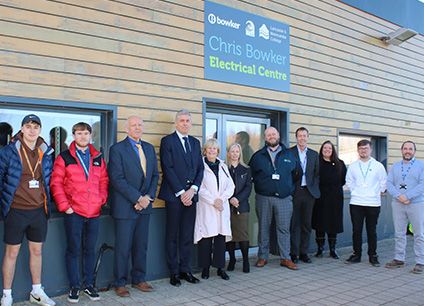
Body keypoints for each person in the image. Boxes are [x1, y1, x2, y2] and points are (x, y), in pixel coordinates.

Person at [0, 114, 55, 306]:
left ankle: (37, 291)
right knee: (11, 253)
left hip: (39, 210)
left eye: (36, 127)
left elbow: (49, 180)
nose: (32, 130)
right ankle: (7, 295)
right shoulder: (8, 151)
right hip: (16, 209)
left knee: (37, 251)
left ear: (40, 130)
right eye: (28, 126)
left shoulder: (46, 151)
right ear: (22, 129)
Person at [50, 122, 109, 303]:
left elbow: (104, 181)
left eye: (86, 133)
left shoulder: (98, 157)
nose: (83, 136)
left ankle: (89, 285)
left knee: (89, 249)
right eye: (79, 133)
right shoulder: (65, 157)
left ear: (90, 136)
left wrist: (101, 200)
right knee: (73, 250)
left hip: (94, 212)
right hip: (73, 211)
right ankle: (74, 286)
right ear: (73, 136)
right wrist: (64, 205)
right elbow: (56, 183)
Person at [108, 116, 159, 297]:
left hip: (145, 206)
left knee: (141, 245)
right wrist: (137, 198)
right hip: (125, 207)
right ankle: (120, 282)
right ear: (126, 129)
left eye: (139, 125)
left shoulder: (149, 148)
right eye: (133, 125)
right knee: (123, 247)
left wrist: (147, 198)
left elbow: (154, 176)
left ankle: (139, 279)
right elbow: (117, 179)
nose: (137, 128)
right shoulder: (117, 149)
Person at [158, 109, 204, 287]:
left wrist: (192, 190)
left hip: (191, 196)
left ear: (191, 123)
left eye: (188, 121)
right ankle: (174, 272)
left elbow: (200, 169)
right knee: (172, 235)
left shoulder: (195, 142)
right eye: (182, 120)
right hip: (174, 196)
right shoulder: (167, 141)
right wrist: (181, 192)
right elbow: (167, 167)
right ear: (176, 123)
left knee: (186, 235)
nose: (185, 123)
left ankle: (185, 270)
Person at [249, 127, 299, 270]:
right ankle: (263, 256)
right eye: (268, 134)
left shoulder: (290, 155)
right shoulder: (258, 156)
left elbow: (297, 174)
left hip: (284, 199)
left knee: (284, 229)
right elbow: (251, 176)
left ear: (279, 135)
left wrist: (287, 188)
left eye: (274, 134)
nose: (271, 136)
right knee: (263, 228)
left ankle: (285, 258)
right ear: (265, 138)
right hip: (264, 198)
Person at [194, 139, 235, 280]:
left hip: (221, 207)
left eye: (214, 149)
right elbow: (199, 187)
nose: (212, 151)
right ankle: (205, 268)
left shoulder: (223, 166)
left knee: (220, 239)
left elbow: (231, 186)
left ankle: (220, 268)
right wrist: (213, 201)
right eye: (209, 149)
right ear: (205, 151)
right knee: (205, 238)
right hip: (207, 206)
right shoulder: (200, 165)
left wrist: (221, 199)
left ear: (218, 151)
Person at [345, 139, 387, 266]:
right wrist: (356, 191)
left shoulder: (378, 166)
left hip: (373, 203)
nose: (363, 151)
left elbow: (383, 182)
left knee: (371, 230)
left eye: (366, 148)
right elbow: (349, 181)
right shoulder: (353, 166)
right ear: (358, 150)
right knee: (356, 230)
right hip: (356, 202)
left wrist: (376, 192)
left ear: (371, 149)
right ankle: (356, 254)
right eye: (361, 149)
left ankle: (373, 255)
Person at [385, 141, 424, 274]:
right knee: (399, 233)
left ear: (414, 151)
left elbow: (422, 185)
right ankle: (399, 258)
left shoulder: (421, 165)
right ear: (401, 150)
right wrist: (399, 196)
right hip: (398, 204)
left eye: (410, 149)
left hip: (416, 203)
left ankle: (420, 261)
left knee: (419, 234)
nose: (408, 151)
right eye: (405, 148)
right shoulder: (395, 166)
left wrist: (407, 196)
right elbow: (389, 183)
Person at [312, 141, 347, 259]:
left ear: (333, 150)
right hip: (320, 198)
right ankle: (320, 249)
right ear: (321, 149)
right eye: (325, 148)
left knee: (333, 224)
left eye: (329, 148)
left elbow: (343, 180)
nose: (327, 150)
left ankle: (332, 249)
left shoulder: (340, 164)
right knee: (320, 224)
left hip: (335, 198)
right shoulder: (316, 162)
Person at [290, 127, 320, 264]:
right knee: (294, 224)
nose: (302, 138)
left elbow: (317, 174)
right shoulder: (289, 153)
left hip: (309, 193)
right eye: (299, 136)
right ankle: (294, 253)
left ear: (308, 137)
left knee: (306, 224)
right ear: (296, 137)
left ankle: (304, 253)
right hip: (295, 192)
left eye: (304, 136)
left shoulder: (314, 154)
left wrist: (314, 187)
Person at [226, 143, 252, 273]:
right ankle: (232, 259)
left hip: (242, 207)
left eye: (237, 151)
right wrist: (230, 199)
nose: (235, 154)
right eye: (232, 151)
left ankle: (246, 260)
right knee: (229, 235)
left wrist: (237, 199)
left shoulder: (246, 169)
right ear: (228, 153)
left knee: (242, 235)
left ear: (240, 153)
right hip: (226, 207)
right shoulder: (224, 168)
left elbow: (248, 188)